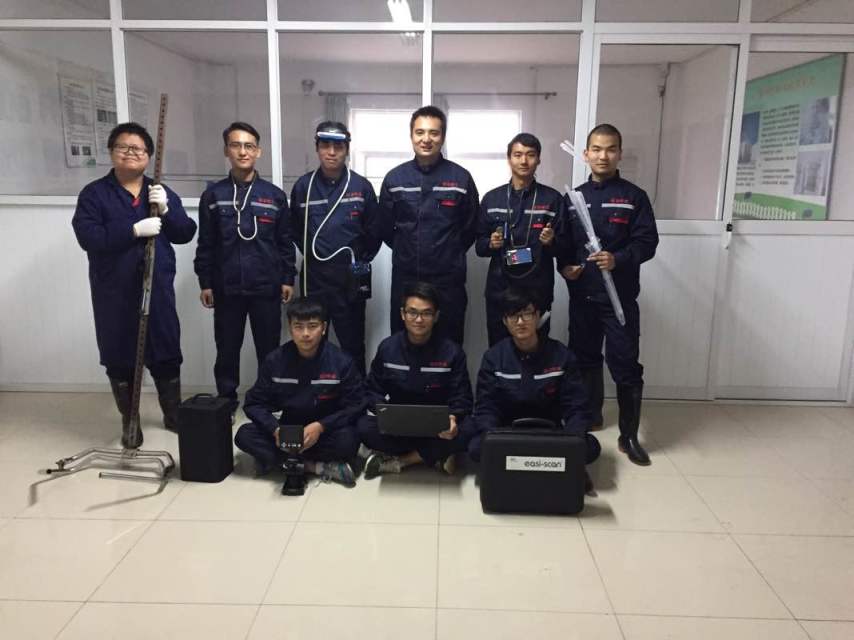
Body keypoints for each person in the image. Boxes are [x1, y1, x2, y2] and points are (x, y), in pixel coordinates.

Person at [72, 122, 196, 449]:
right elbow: (89, 237)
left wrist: (167, 210)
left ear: (148, 155)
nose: (131, 153)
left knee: (166, 351)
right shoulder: (94, 195)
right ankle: (130, 420)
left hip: (158, 289)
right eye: (123, 147)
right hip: (114, 293)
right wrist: (133, 230)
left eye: (138, 149)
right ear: (111, 152)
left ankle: (173, 414)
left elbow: (185, 233)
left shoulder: (158, 191)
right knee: (119, 356)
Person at [558, 123, 658, 465]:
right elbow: (564, 244)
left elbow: (648, 243)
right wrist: (565, 267)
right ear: (586, 154)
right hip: (583, 298)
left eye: (611, 149)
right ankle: (591, 415)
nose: (603, 156)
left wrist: (618, 259)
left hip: (619, 301)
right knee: (584, 359)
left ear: (619, 153)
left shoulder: (634, 197)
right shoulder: (574, 199)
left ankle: (629, 436)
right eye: (597, 149)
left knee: (626, 365)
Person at [194, 122, 295, 417]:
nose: (242, 151)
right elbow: (206, 243)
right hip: (226, 288)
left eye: (249, 146)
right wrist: (205, 281)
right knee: (227, 349)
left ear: (258, 151)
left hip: (266, 286)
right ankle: (226, 400)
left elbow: (285, 242)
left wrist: (288, 278)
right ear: (227, 150)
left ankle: (268, 401)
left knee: (269, 349)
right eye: (236, 145)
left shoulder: (274, 196)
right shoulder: (214, 196)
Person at [469, 287, 600, 480]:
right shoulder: (494, 357)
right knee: (476, 448)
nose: (520, 322)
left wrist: (573, 439)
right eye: (513, 316)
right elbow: (486, 406)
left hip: (550, 432)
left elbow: (576, 406)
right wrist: (493, 436)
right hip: (508, 433)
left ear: (538, 316)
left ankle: (525, 463)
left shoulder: (562, 355)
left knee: (590, 447)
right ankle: (550, 465)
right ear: (505, 321)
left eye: (527, 314)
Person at [234, 298, 362, 488]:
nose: (305, 334)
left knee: (349, 441)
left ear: (324, 328)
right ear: (290, 328)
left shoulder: (341, 362)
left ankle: (279, 461)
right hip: (286, 430)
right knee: (244, 435)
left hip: (324, 430)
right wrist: (275, 429)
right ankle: (315, 467)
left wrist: (321, 426)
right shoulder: (275, 360)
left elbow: (356, 404)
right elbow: (254, 403)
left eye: (312, 326)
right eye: (298, 327)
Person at [378, 105, 479, 344]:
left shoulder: (461, 178)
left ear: (442, 137)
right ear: (411, 135)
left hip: (448, 280)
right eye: (420, 132)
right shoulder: (395, 179)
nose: (426, 139)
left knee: (449, 343)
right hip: (406, 278)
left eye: (434, 133)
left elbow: (471, 227)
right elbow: (384, 228)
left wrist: (448, 252)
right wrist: (408, 250)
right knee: (403, 342)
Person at [289, 121, 381, 374]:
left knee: (352, 344)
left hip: (349, 280)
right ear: (317, 148)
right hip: (314, 278)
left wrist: (358, 261)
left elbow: (375, 231)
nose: (331, 152)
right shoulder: (303, 187)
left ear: (347, 150)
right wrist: (315, 253)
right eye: (325, 145)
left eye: (338, 147)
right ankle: (314, 392)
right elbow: (294, 230)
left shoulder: (361, 187)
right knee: (310, 342)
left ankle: (355, 393)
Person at [357, 282, 474, 478]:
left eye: (426, 313)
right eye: (412, 312)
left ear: (436, 316)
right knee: (362, 426)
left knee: (470, 428)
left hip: (437, 427)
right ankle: (435, 455)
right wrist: (383, 412)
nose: (419, 319)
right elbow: (372, 389)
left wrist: (453, 418)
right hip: (398, 425)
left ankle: (402, 461)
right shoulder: (388, 348)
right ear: (402, 314)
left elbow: (463, 398)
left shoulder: (452, 352)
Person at [476, 133, 565, 345]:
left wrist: (551, 242)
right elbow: (479, 246)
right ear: (509, 159)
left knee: (537, 348)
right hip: (500, 289)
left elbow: (565, 248)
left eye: (530, 155)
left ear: (539, 159)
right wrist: (491, 243)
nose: (524, 161)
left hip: (537, 289)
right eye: (517, 155)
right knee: (499, 348)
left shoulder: (552, 200)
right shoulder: (492, 199)